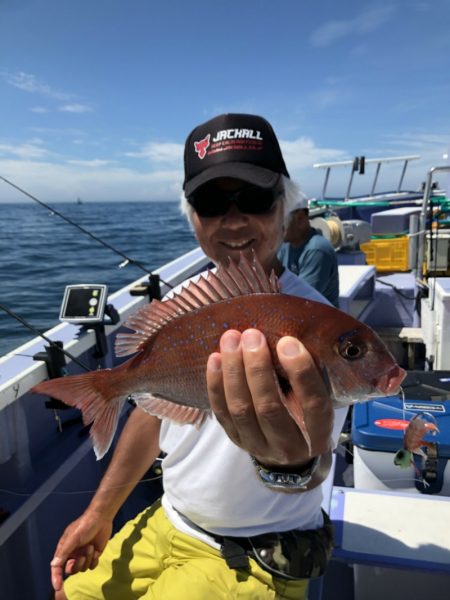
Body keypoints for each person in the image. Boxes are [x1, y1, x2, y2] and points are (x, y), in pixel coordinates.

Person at [51, 113, 348, 600]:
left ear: (286, 207)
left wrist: (292, 467)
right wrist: (99, 512)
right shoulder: (182, 303)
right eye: (211, 203)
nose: (233, 220)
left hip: (253, 559)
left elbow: (314, 459)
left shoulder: (319, 327)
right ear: (192, 216)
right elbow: (153, 418)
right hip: (170, 521)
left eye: (253, 199)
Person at [278, 195, 340, 307]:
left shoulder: (317, 250)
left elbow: (301, 302)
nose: (276, 226)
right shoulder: (285, 245)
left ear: (300, 218)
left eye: (281, 220)